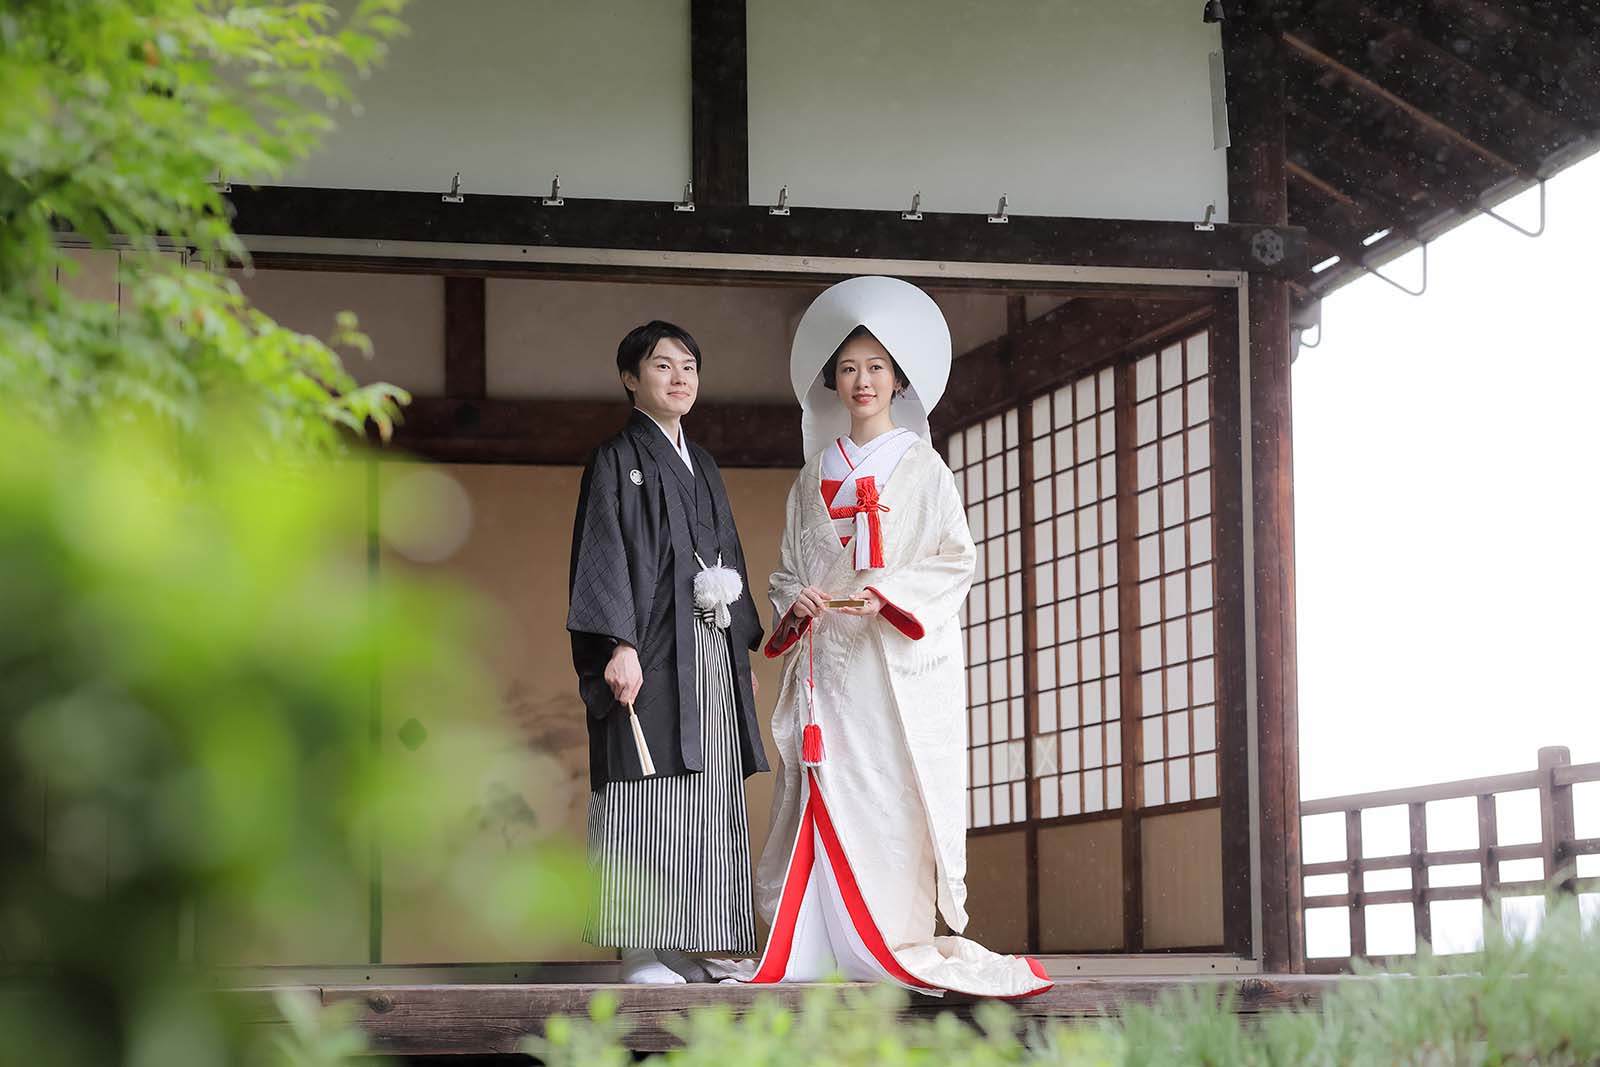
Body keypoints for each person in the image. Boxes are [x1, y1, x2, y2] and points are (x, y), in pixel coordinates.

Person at [748, 277, 1051, 998]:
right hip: (829, 663)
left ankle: (885, 937)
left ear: (898, 380)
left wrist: (889, 593)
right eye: (848, 368)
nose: (861, 381)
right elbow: (787, 571)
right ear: (832, 382)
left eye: (876, 367)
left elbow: (955, 558)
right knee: (820, 786)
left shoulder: (922, 467)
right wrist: (802, 599)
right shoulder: (812, 474)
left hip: (894, 666)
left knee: (889, 793)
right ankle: (817, 940)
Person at [567, 321, 768, 984]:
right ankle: (642, 948)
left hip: (708, 650)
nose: (679, 377)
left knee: (707, 793)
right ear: (631, 378)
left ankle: (697, 942)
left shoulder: (702, 464)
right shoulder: (613, 458)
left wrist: (740, 656)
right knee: (642, 787)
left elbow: (728, 557)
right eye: (662, 366)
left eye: (689, 365)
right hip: (649, 649)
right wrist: (617, 644)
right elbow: (604, 558)